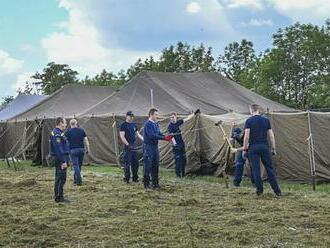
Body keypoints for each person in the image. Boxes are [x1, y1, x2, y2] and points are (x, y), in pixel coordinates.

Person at [242, 104, 281, 196]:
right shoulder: (266, 120)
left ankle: (259, 191)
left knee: (256, 169)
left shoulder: (249, 121)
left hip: (253, 147)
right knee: (269, 169)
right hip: (264, 146)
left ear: (251, 110)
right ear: (258, 110)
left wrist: (244, 149)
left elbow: (246, 136)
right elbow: (271, 136)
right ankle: (277, 191)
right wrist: (273, 148)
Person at [143, 108, 172, 190]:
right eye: (156, 115)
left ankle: (155, 184)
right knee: (148, 166)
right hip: (148, 147)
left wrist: (166, 136)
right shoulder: (147, 124)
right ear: (151, 115)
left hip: (155, 147)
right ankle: (146, 184)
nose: (157, 116)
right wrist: (164, 138)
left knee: (155, 165)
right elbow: (152, 135)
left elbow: (159, 134)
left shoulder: (156, 124)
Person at [167, 111, 195, 178]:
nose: (172, 119)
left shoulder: (177, 123)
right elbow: (171, 137)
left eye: (173, 117)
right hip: (176, 145)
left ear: (176, 117)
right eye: (171, 117)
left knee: (183, 159)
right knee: (178, 160)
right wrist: (175, 144)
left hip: (181, 143)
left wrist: (193, 114)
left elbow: (186, 119)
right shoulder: (170, 126)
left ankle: (183, 174)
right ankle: (178, 175)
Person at [119, 111, 144, 183]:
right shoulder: (123, 125)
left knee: (135, 163)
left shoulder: (134, 125)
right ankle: (127, 178)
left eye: (132, 116)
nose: (131, 117)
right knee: (127, 163)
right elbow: (122, 136)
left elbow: (137, 134)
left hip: (134, 146)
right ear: (126, 116)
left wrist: (144, 140)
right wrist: (127, 144)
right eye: (130, 116)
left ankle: (135, 178)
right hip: (127, 147)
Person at [50, 117, 70, 203]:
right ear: (60, 123)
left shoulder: (59, 133)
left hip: (61, 157)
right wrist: (63, 161)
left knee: (59, 177)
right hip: (60, 158)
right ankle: (59, 197)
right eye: (65, 122)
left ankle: (58, 195)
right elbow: (58, 149)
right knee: (61, 178)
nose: (66, 124)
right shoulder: (57, 134)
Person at [65, 119, 90, 186]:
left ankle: (78, 182)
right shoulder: (82, 130)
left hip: (73, 151)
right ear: (76, 123)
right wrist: (88, 149)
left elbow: (65, 142)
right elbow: (86, 141)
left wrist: (66, 151)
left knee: (75, 166)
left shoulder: (68, 132)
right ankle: (75, 180)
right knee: (79, 166)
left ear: (70, 124)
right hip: (81, 150)